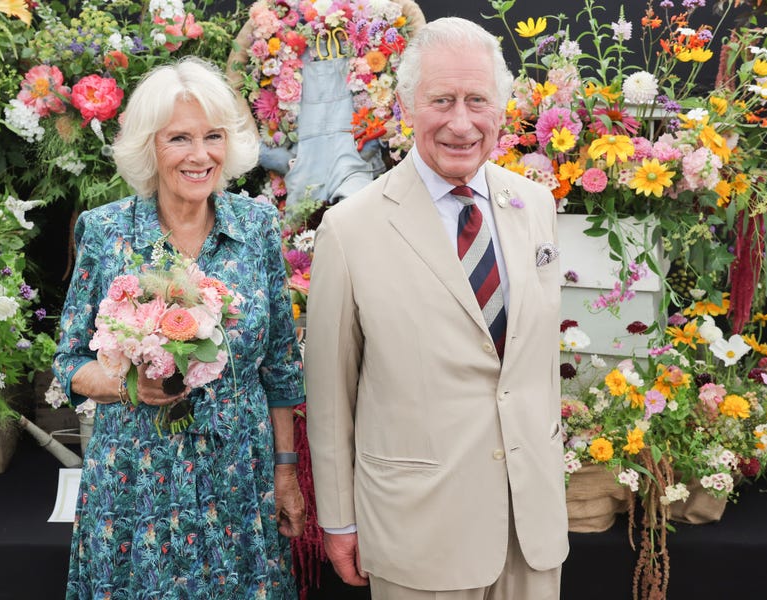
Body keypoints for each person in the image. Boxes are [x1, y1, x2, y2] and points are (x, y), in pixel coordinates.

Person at [305, 17, 569, 600]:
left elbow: (532, 363)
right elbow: (329, 395)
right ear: (406, 106)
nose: (461, 122)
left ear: (502, 108)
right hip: (416, 532)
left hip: (532, 527)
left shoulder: (535, 205)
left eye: (478, 100)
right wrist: (340, 520)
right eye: (441, 100)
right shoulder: (350, 230)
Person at [52, 57, 306, 599]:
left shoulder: (257, 227)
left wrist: (287, 473)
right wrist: (128, 386)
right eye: (179, 139)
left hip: (242, 478)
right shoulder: (105, 232)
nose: (200, 155)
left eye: (213, 136)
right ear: (149, 147)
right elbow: (69, 361)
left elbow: (281, 364)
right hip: (137, 483)